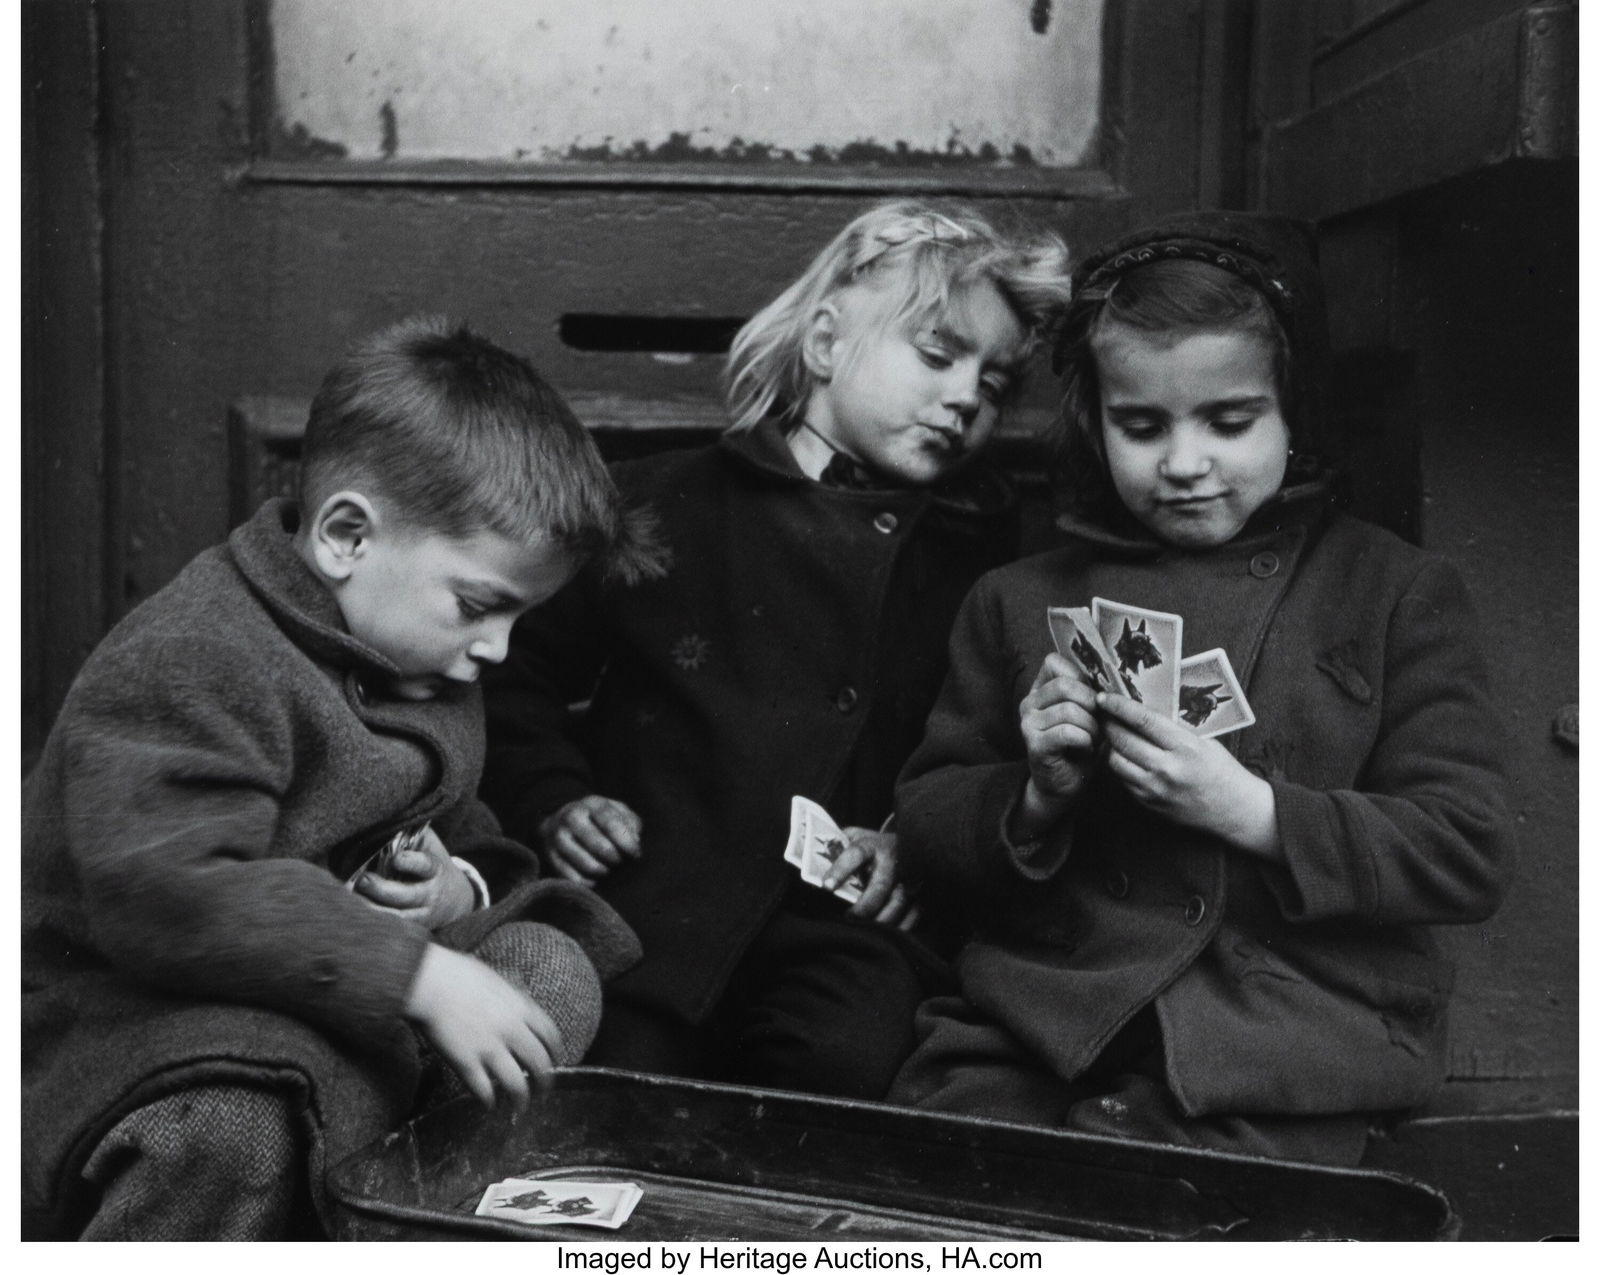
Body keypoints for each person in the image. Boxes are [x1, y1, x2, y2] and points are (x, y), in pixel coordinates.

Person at [886, 212, 1515, 1165]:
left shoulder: (1394, 594)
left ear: (1294, 412)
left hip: (1286, 1045)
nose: (1183, 465)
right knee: (952, 1190)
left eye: (1230, 421)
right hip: (1039, 1031)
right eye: (1141, 426)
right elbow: (928, 823)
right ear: (1093, 424)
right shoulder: (1017, 600)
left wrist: (1252, 811)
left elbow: (1466, 850)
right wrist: (1034, 796)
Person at [21, 315, 660, 1239]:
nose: (498, 647)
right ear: (347, 537)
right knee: (231, 1121)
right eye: (482, 606)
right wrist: (419, 977)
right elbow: (171, 891)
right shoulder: (193, 655)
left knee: (547, 975)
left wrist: (454, 888)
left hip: (335, 998)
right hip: (145, 1012)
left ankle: (402, 1213)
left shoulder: (415, 651)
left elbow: (464, 818)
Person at [480, 201, 1073, 1099]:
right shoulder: (665, 505)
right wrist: (555, 799)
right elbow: (512, 671)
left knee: (848, 1073)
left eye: (993, 386)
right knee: (610, 1089)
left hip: (848, 928)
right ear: (828, 343)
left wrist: (921, 842)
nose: (965, 398)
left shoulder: (984, 552)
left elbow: (998, 744)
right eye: (937, 354)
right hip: (652, 910)